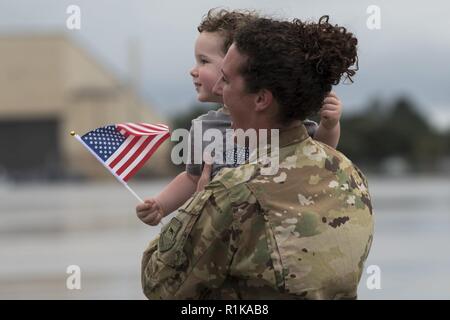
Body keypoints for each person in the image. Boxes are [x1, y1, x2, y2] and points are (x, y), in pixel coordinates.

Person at [139, 15, 374, 300]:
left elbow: (159, 283)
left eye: (225, 80)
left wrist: (199, 207)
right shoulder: (351, 176)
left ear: (261, 99)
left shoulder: (231, 195)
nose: (218, 90)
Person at [136, 9, 343, 227]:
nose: (193, 70)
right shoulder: (203, 127)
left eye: (203, 61)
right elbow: (192, 178)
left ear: (235, 63)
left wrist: (329, 125)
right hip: (225, 232)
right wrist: (161, 205)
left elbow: (320, 153)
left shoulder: (279, 119)